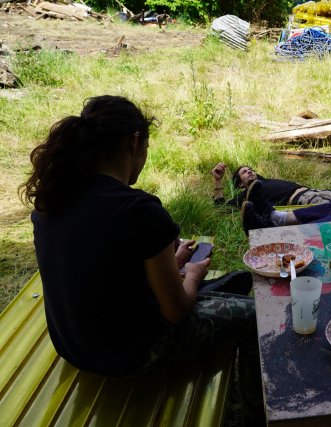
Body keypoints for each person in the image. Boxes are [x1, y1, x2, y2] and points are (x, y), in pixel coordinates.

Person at [20, 96, 264, 423]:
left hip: (73, 344)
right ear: (134, 142)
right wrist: (192, 273)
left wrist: (172, 262)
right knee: (255, 316)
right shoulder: (139, 210)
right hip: (128, 355)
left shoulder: (53, 197)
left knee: (229, 290)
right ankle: (250, 416)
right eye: (146, 148)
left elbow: (104, 270)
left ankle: (222, 291)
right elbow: (176, 311)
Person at [211, 162, 331, 207]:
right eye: (244, 172)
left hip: (315, 191)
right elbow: (221, 207)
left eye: (251, 169)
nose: (250, 171)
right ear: (240, 183)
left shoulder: (264, 181)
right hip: (304, 200)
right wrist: (217, 180)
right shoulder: (247, 195)